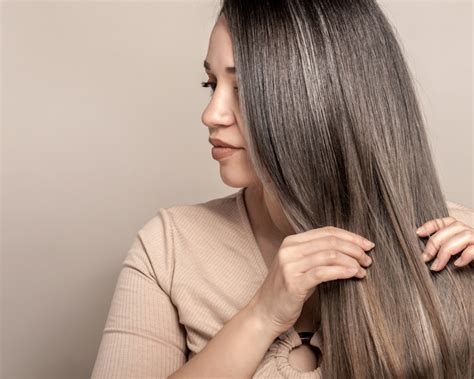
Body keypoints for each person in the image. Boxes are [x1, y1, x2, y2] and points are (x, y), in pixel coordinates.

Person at [91, 1, 473, 378]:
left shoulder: (456, 245)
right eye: (211, 85)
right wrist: (261, 316)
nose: (211, 114)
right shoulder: (169, 249)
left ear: (321, 99)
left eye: (242, 89)